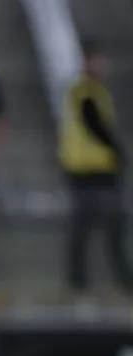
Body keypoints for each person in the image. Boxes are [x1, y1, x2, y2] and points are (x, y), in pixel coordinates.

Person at [58, 40, 132, 293]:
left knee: (111, 225)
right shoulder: (83, 90)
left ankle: (120, 278)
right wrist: (118, 150)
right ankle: (81, 281)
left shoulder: (97, 91)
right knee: (88, 226)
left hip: (100, 167)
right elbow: (94, 123)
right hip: (86, 169)